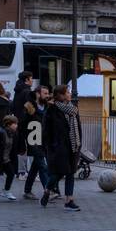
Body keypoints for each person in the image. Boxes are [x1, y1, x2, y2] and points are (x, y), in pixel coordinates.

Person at [41, 83, 82, 211]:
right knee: (57, 174)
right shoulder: (52, 110)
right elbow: (46, 131)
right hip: (59, 147)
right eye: (67, 92)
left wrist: (79, 142)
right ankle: (47, 190)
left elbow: (78, 127)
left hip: (73, 146)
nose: (70, 94)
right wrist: (50, 147)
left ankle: (69, 200)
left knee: (70, 173)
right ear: (60, 95)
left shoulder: (73, 109)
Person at [22, 86, 50, 197]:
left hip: (44, 139)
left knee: (36, 165)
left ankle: (27, 190)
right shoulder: (29, 107)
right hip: (33, 138)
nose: (47, 96)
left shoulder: (48, 107)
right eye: (45, 93)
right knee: (42, 165)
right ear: (38, 94)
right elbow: (23, 123)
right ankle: (48, 191)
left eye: (48, 93)